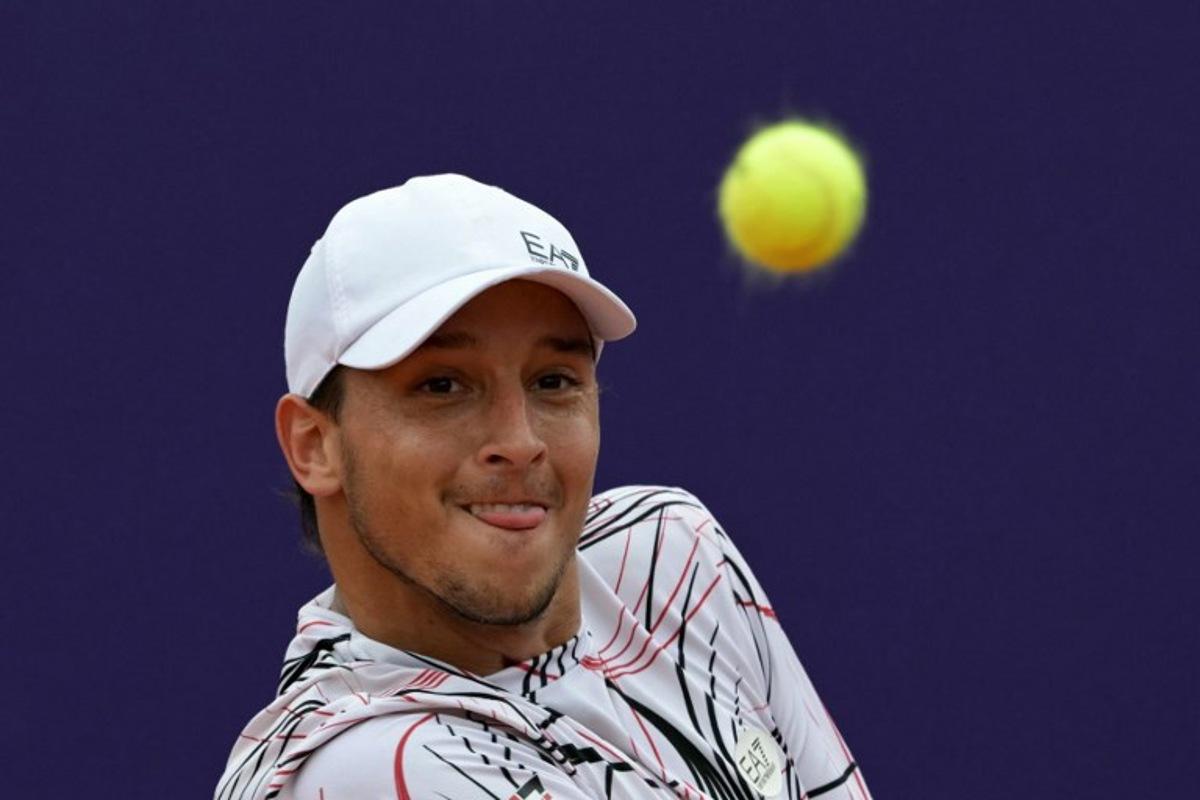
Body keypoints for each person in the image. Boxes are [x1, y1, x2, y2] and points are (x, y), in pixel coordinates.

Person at [215, 174, 871, 800]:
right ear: (315, 446)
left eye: (553, 381)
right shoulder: (366, 769)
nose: (520, 439)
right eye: (442, 385)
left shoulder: (674, 554)